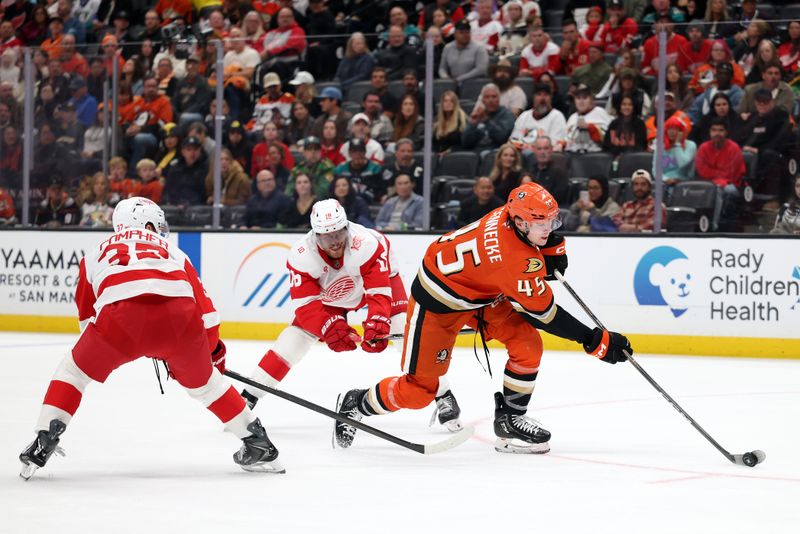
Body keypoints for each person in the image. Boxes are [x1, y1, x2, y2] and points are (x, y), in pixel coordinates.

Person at [332, 182, 633, 453]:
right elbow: (546, 315)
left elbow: (540, 236)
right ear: (518, 221)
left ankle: (511, 420)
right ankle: (356, 403)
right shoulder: (514, 260)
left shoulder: (512, 213)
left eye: (553, 220)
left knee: (527, 344)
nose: (549, 227)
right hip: (438, 301)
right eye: (542, 224)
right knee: (419, 391)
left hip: (480, 292)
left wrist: (551, 245)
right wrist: (595, 340)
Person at [19, 197, 283, 479]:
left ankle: (46, 435)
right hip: (180, 320)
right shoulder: (173, 251)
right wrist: (209, 354)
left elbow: (87, 317)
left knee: (73, 372)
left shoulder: (95, 253)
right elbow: (208, 314)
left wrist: (115, 347)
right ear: (146, 224)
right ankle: (258, 442)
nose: (162, 230)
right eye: (158, 225)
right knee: (207, 386)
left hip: (118, 321)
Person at [240, 199, 447, 423]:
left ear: (347, 227)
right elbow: (306, 306)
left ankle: (444, 394)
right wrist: (329, 328)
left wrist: (377, 321)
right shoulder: (301, 255)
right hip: (331, 294)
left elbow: (378, 293)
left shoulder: (366, 243)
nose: (335, 241)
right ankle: (248, 397)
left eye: (339, 232)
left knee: (404, 334)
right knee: (293, 341)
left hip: (376, 282)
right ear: (315, 234)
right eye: (327, 235)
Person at [694, 117, 746, 229]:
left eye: (721, 130)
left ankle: (714, 226)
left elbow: (731, 173)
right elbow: (701, 170)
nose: (717, 133)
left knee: (719, 190)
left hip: (733, 185)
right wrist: (717, 179)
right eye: (714, 130)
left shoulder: (734, 148)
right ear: (710, 132)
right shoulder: (703, 148)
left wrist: (717, 180)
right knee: (711, 189)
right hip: (710, 184)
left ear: (726, 132)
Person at [510, 82, 567, 152]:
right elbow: (514, 140)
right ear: (533, 98)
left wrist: (528, 148)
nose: (542, 98)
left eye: (546, 95)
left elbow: (555, 145)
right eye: (539, 94)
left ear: (551, 98)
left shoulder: (557, 116)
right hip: (522, 157)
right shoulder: (524, 116)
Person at [462, 84, 516, 151]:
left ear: (499, 99)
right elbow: (465, 143)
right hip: (476, 153)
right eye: (487, 97)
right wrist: (472, 125)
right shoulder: (478, 115)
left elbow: (502, 138)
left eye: (494, 97)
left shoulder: (507, 114)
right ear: (482, 100)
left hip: (496, 152)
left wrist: (486, 120)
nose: (490, 100)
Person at [564, 85, 611, 154]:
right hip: (574, 155)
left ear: (591, 100)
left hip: (596, 155)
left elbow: (608, 138)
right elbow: (566, 138)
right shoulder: (572, 117)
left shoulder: (600, 112)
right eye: (578, 98)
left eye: (585, 98)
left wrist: (590, 128)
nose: (581, 101)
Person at [603, 94, 648, 159]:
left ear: (634, 107)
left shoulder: (640, 124)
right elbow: (606, 147)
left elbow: (640, 147)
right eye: (624, 104)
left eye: (630, 105)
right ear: (620, 107)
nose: (627, 107)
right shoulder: (613, 124)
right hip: (613, 160)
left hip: (633, 160)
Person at [529, 136, 569, 205]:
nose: (542, 152)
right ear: (534, 151)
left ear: (551, 150)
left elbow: (557, 198)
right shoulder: (530, 171)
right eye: (539, 149)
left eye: (546, 148)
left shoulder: (560, 173)